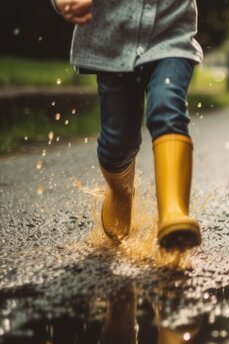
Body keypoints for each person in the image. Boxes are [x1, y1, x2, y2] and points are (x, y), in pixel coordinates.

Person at [52, 0, 204, 251]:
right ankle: (121, 193)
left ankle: (174, 212)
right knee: (117, 142)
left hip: (172, 36)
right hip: (112, 42)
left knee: (167, 108)